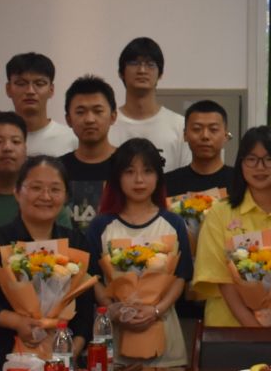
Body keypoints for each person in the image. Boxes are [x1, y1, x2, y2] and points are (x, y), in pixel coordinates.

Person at [0, 155, 93, 371]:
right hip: (3, 360)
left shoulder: (76, 242)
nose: (46, 196)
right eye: (36, 188)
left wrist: (68, 355)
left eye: (55, 189)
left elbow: (85, 311)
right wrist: (17, 322)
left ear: (66, 196)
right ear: (17, 192)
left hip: (61, 362)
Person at [84, 138, 194, 366]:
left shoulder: (173, 223)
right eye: (129, 172)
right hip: (114, 337)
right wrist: (113, 309)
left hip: (165, 338)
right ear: (117, 177)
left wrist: (156, 310)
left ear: (158, 176)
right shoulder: (101, 225)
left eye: (147, 171)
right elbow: (92, 277)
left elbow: (181, 276)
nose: (139, 180)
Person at [193, 126, 271, 326]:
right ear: (241, 163)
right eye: (251, 159)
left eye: (269, 159)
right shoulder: (219, 212)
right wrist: (254, 329)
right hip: (227, 327)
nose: (260, 167)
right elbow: (221, 279)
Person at [108, 36, 190, 169]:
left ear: (160, 74)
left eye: (150, 64)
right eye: (134, 63)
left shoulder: (180, 126)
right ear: (121, 73)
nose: (142, 70)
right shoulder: (107, 125)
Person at [59, 76, 120, 231]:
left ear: (113, 116)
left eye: (98, 111)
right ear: (68, 119)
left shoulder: (128, 165)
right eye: (80, 112)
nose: (89, 119)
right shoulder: (57, 169)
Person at [2, 52, 77, 159]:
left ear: (51, 90)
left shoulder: (72, 139)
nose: (30, 91)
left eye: (39, 84)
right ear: (8, 89)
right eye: (21, 84)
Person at [166, 99, 234, 196]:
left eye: (213, 129)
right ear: (185, 135)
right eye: (197, 129)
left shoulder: (240, 181)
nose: (205, 136)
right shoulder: (167, 183)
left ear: (225, 136)